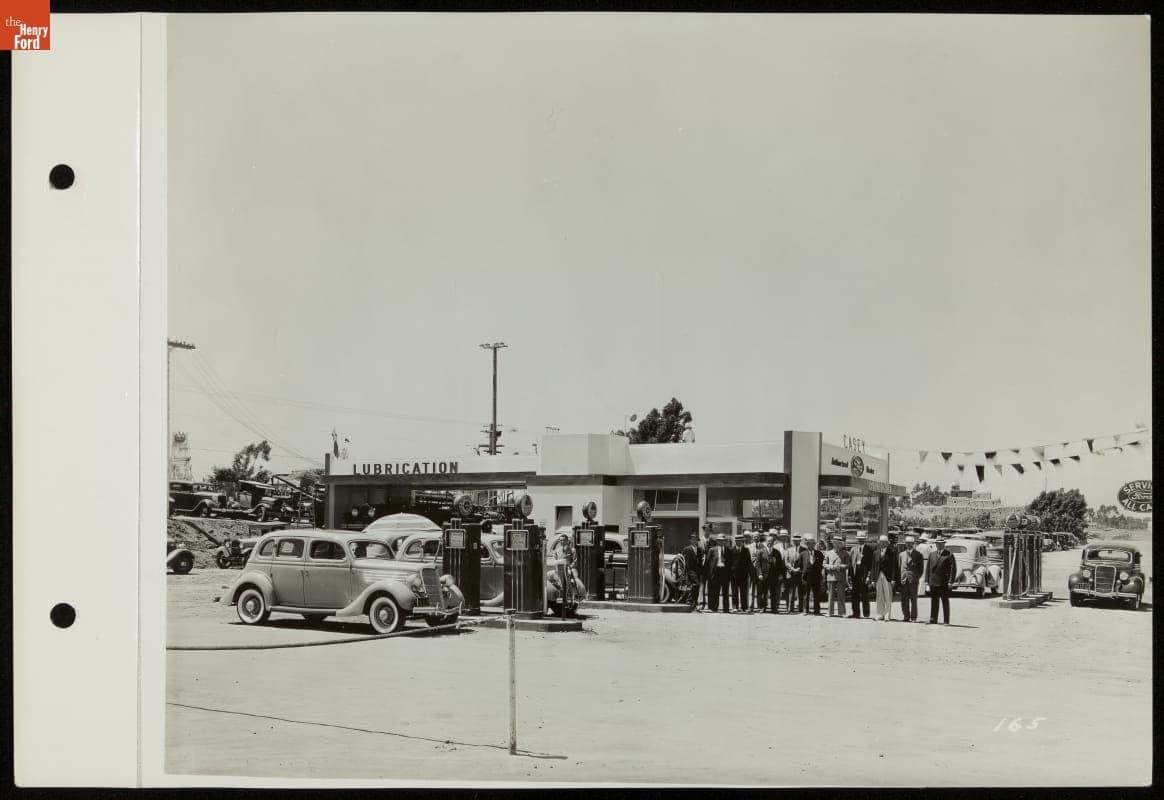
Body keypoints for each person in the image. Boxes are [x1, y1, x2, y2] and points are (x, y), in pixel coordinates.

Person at [926, 535, 958, 625]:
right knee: (934, 601)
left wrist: (951, 581)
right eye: (937, 543)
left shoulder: (949, 555)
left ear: (944, 544)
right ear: (935, 544)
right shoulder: (932, 554)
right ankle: (933, 619)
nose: (939, 545)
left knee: (945, 601)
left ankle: (946, 620)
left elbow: (953, 569)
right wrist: (927, 581)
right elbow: (928, 569)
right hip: (933, 582)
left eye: (941, 544)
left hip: (944, 582)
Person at [873, 533, 899, 620]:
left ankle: (887, 614)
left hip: (888, 576)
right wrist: (873, 579)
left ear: (887, 543)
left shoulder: (892, 552)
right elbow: (873, 567)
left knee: (888, 595)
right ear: (879, 543)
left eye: (884, 542)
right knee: (879, 595)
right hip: (878, 576)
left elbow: (895, 566)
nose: (883, 543)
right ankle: (880, 614)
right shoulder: (876, 552)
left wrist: (893, 579)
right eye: (881, 542)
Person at [848, 531, 874, 619]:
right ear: (857, 540)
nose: (860, 541)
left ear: (865, 540)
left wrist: (868, 576)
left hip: (864, 573)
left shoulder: (869, 550)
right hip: (855, 573)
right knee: (854, 595)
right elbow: (850, 564)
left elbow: (871, 565)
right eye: (859, 539)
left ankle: (866, 614)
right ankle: (856, 613)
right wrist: (850, 576)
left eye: (862, 539)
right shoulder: (853, 549)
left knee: (865, 594)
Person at [898, 535, 924, 622]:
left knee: (913, 600)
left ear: (914, 544)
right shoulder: (901, 554)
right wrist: (900, 579)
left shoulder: (918, 555)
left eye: (911, 543)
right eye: (907, 543)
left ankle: (913, 617)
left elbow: (921, 569)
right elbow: (899, 568)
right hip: (903, 580)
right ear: (905, 544)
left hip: (913, 581)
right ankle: (906, 616)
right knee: (904, 599)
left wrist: (916, 578)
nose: (909, 545)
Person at [824, 536, 850, 617]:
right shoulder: (828, 553)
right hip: (831, 576)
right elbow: (824, 564)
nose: (837, 545)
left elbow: (849, 565)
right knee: (830, 595)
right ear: (833, 544)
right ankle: (830, 612)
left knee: (841, 595)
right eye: (835, 543)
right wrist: (831, 567)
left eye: (839, 543)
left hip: (841, 576)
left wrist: (841, 566)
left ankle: (842, 612)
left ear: (841, 544)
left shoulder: (845, 553)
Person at [798, 535, 824, 615]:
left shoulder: (819, 554)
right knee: (806, 594)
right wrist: (803, 573)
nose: (811, 545)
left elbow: (821, 565)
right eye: (809, 544)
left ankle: (817, 611)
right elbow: (800, 565)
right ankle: (805, 610)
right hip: (806, 577)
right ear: (807, 544)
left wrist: (821, 576)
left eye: (812, 544)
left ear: (814, 544)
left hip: (816, 577)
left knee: (816, 594)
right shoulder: (802, 554)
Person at [704, 535, 730, 613]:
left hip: (724, 572)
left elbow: (730, 562)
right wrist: (708, 574)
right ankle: (714, 607)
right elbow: (707, 563)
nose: (721, 542)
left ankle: (726, 609)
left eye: (723, 540)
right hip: (715, 572)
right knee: (715, 591)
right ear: (717, 541)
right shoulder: (712, 550)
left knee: (725, 592)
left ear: (725, 541)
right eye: (720, 540)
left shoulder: (728, 550)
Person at [766, 531, 786, 613]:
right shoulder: (762, 551)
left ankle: (774, 608)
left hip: (774, 575)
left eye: (771, 541)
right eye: (768, 541)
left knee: (774, 592)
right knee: (764, 592)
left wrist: (781, 573)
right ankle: (763, 607)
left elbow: (780, 564)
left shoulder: (776, 552)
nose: (770, 543)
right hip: (765, 575)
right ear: (766, 542)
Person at [730, 536, 751, 612]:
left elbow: (748, 562)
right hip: (734, 575)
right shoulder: (731, 550)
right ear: (735, 541)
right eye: (737, 541)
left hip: (744, 574)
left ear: (742, 541)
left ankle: (744, 607)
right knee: (734, 591)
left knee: (743, 592)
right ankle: (735, 606)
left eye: (740, 541)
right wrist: (731, 571)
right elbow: (729, 562)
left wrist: (748, 573)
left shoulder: (746, 550)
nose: (739, 542)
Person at [681, 533, 703, 607]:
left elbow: (700, 560)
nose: (694, 541)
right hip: (690, 570)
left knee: (696, 586)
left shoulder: (700, 549)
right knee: (695, 584)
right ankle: (690, 600)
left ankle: (694, 601)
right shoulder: (686, 549)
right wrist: (684, 571)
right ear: (690, 540)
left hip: (698, 571)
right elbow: (682, 560)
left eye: (696, 539)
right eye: (693, 539)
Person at [751, 532, 771, 611]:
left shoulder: (763, 546)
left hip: (761, 572)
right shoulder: (748, 546)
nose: (756, 538)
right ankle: (751, 606)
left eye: (757, 537)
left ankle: (761, 606)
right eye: (754, 537)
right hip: (752, 571)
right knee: (751, 590)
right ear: (752, 537)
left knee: (761, 590)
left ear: (759, 537)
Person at [784, 533, 804, 614]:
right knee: (791, 592)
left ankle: (801, 608)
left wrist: (799, 569)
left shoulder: (804, 550)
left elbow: (805, 561)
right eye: (794, 540)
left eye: (797, 540)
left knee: (801, 591)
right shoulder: (789, 550)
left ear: (800, 541)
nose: (796, 542)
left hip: (800, 574)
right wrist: (792, 569)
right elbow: (786, 561)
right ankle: (790, 608)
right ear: (792, 541)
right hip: (791, 573)